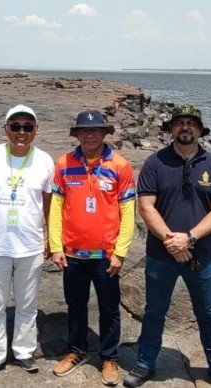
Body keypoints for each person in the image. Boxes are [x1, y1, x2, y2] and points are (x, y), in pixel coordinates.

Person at [124, 105, 211, 388]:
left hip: (201, 255)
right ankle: (145, 363)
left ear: (200, 130)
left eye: (191, 123)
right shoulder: (155, 163)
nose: (185, 127)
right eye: (179, 123)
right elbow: (146, 206)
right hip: (161, 254)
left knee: (208, 312)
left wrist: (189, 239)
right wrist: (171, 241)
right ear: (171, 129)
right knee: (154, 310)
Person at [49, 110, 136, 387]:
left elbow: (128, 211)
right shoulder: (63, 163)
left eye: (96, 130)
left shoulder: (120, 165)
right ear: (76, 134)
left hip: (106, 256)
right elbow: (56, 207)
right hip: (72, 253)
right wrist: (55, 246)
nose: (90, 135)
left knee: (109, 308)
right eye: (84, 130)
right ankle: (77, 350)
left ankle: (110, 357)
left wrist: (120, 252)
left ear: (105, 133)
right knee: (75, 304)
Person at [0, 105, 54, 380]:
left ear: (36, 130)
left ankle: (24, 352)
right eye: (15, 126)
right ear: (5, 128)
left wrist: (52, 238)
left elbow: (50, 203)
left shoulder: (45, 161)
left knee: (28, 304)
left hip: (30, 246)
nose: (21, 132)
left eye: (28, 127)